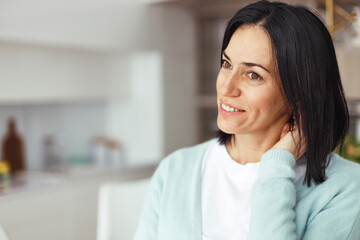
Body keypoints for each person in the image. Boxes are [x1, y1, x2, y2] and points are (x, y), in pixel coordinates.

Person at [134, 1, 360, 239]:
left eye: (253, 75)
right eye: (226, 64)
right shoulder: (175, 171)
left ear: (299, 92)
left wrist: (275, 167)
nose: (226, 87)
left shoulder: (345, 189)